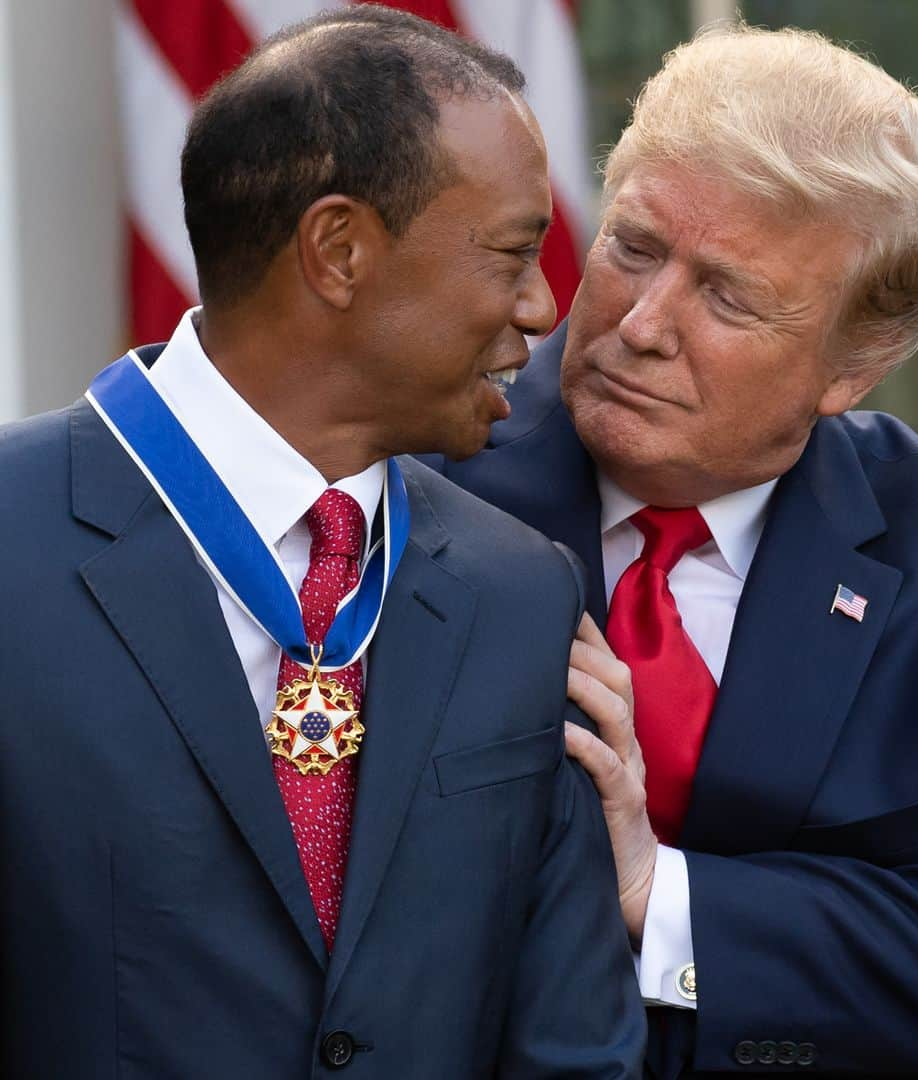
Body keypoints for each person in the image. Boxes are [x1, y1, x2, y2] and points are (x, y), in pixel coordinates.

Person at [425, 23, 918, 1080]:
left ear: (853, 368)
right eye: (633, 247)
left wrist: (661, 897)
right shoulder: (414, 487)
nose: (641, 323)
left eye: (726, 296)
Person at [0, 8, 645, 1078]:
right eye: (513, 253)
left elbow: (572, 1046)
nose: (545, 307)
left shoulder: (521, 592)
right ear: (338, 250)